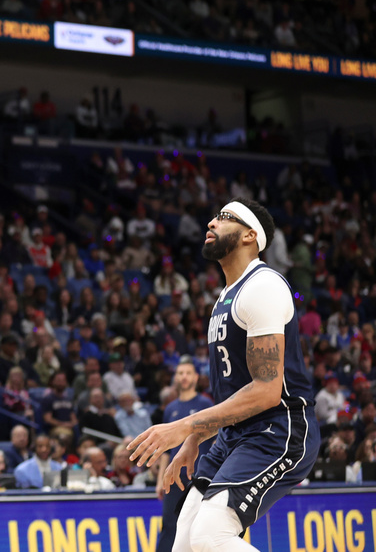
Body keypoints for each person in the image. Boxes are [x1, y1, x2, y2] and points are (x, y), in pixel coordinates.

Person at [129, 198, 320, 552]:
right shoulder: (226, 297)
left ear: (250, 235)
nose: (211, 223)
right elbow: (235, 393)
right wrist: (195, 438)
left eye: (225, 217)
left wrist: (184, 426)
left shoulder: (262, 286)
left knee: (209, 536)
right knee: (184, 541)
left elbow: (266, 391)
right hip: (235, 434)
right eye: (214, 217)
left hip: (277, 428)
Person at [155, 359, 214, 552]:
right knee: (169, 525)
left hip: (199, 475)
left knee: (199, 527)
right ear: (176, 378)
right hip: (173, 476)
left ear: (196, 377)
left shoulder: (206, 403)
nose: (184, 377)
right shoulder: (170, 408)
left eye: (188, 373)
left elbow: (215, 441)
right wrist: (159, 480)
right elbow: (165, 450)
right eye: (180, 373)